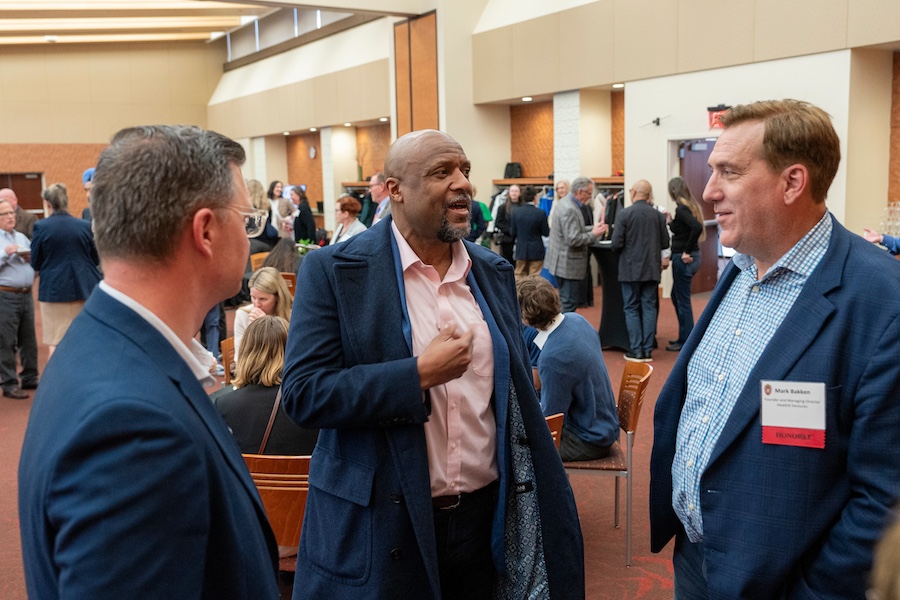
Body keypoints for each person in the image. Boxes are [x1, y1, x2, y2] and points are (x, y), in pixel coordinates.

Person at [281, 129, 584, 600]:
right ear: (394, 188)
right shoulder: (335, 271)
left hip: (486, 518)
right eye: (442, 172)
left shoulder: (493, 272)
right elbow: (304, 394)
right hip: (385, 520)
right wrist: (417, 374)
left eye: (464, 170)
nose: (462, 182)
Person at [649, 100, 900, 599]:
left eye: (730, 172)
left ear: (792, 183)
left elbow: (886, 498)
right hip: (696, 559)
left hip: (785, 582)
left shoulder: (880, 301)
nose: (708, 190)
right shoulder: (741, 268)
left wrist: (813, 589)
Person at [18, 124, 279, 599]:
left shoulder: (99, 345)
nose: (249, 237)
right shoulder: (134, 426)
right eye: (246, 220)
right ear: (205, 231)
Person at [516, 276, 618, 462]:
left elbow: (551, 422)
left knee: (516, 449)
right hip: (603, 422)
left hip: (588, 439)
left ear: (525, 315)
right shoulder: (578, 320)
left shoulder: (552, 358)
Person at [212, 315, 317, 455]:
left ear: (246, 353)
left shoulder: (224, 404)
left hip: (250, 477)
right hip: (306, 476)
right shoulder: (312, 402)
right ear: (292, 350)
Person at [30, 183, 103, 357]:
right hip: (85, 287)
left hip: (54, 291)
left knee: (56, 342)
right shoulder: (84, 225)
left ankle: (57, 383)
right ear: (66, 200)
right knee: (86, 338)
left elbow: (36, 262)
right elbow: (96, 258)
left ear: (48, 204)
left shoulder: (41, 227)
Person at [610, 179, 670, 362]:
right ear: (649, 194)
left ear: (634, 193)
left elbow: (615, 244)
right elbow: (665, 243)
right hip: (651, 269)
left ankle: (636, 351)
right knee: (649, 307)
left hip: (629, 269)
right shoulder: (658, 215)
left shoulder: (624, 214)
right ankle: (647, 350)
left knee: (631, 308)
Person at [544, 176, 607, 312]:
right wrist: (594, 234)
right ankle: (564, 332)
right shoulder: (570, 209)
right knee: (569, 303)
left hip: (561, 262)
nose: (591, 197)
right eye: (589, 193)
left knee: (565, 301)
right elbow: (573, 239)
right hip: (568, 265)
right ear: (580, 192)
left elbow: (574, 229)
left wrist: (594, 228)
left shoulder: (564, 202)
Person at [0, 197, 38, 399]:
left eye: (12, 213)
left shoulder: (22, 237)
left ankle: (30, 377)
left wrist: (31, 257)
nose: (10, 217)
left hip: (26, 294)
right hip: (5, 294)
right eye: (4, 214)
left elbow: (34, 261)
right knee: (5, 341)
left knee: (28, 339)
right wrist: (5, 254)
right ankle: (9, 383)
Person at [666, 176, 706, 351]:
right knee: (677, 296)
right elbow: (681, 229)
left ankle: (686, 341)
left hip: (684, 258)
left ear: (673, 190)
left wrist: (686, 251)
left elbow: (696, 227)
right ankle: (684, 336)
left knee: (682, 300)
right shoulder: (688, 206)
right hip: (689, 257)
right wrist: (670, 221)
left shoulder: (682, 209)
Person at [234, 266, 292, 362]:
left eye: (263, 299)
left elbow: (291, 352)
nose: (256, 304)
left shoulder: (292, 314)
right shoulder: (243, 315)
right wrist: (256, 329)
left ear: (278, 297)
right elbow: (240, 357)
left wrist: (268, 327)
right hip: (253, 371)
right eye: (253, 297)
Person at [509, 184, 550, 280]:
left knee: (519, 275)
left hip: (521, 248)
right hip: (536, 249)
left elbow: (513, 232)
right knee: (534, 277)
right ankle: (532, 295)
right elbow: (546, 232)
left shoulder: (515, 212)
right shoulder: (541, 213)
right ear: (535, 198)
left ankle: (519, 294)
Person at [493, 183, 521, 263]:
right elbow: (497, 223)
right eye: (512, 191)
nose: (514, 193)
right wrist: (510, 230)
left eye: (516, 191)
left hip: (520, 239)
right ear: (509, 192)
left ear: (520, 193)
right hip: (507, 239)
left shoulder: (523, 207)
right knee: (507, 261)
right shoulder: (503, 207)